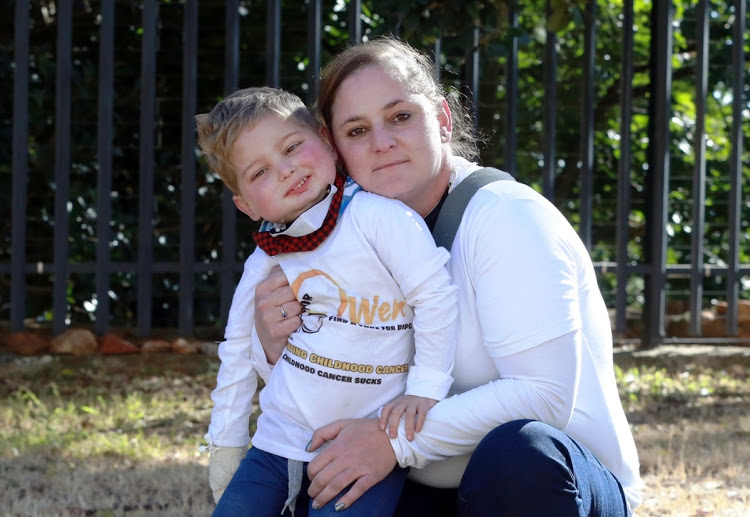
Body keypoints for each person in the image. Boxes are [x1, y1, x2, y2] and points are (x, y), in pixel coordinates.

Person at [248, 37, 644, 516]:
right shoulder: (336, 236)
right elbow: (322, 392)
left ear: (441, 119)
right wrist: (273, 345)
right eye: (356, 130)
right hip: (425, 488)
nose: (382, 142)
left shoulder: (507, 218)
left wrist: (389, 442)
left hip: (554, 489)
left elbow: (545, 397)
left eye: (400, 117)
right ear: (334, 150)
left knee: (521, 455)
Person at [195, 86, 458, 516]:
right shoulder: (267, 255)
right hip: (276, 440)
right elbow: (238, 353)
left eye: (293, 146)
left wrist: (425, 390)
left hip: (361, 441)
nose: (284, 170)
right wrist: (226, 443)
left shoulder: (379, 219)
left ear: (325, 140)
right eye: (259, 172)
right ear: (244, 204)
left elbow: (435, 299)